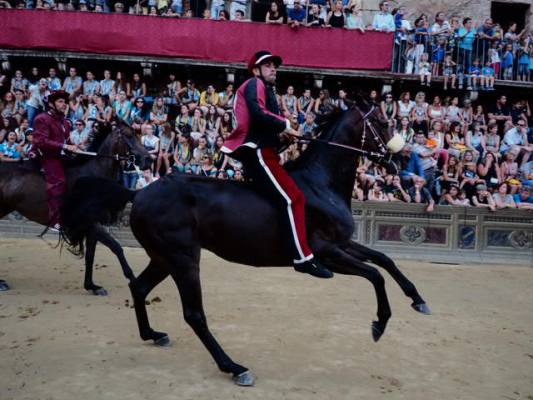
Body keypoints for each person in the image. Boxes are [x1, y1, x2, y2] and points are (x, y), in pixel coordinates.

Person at [222, 50, 333, 279]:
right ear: (256, 70)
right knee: (294, 198)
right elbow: (257, 114)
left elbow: (264, 123)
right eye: (268, 65)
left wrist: (283, 137)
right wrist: (284, 124)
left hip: (264, 149)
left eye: (275, 66)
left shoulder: (266, 89)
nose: (274, 69)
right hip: (258, 152)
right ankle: (303, 258)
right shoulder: (255, 83)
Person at [32, 90, 78, 231]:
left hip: (62, 156)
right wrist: (65, 146)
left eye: (64, 102)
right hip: (47, 156)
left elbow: (67, 140)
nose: (63, 104)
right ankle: (54, 221)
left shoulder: (65, 122)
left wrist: (76, 146)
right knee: (59, 182)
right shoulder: (42, 118)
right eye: (60, 101)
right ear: (51, 104)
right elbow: (42, 141)